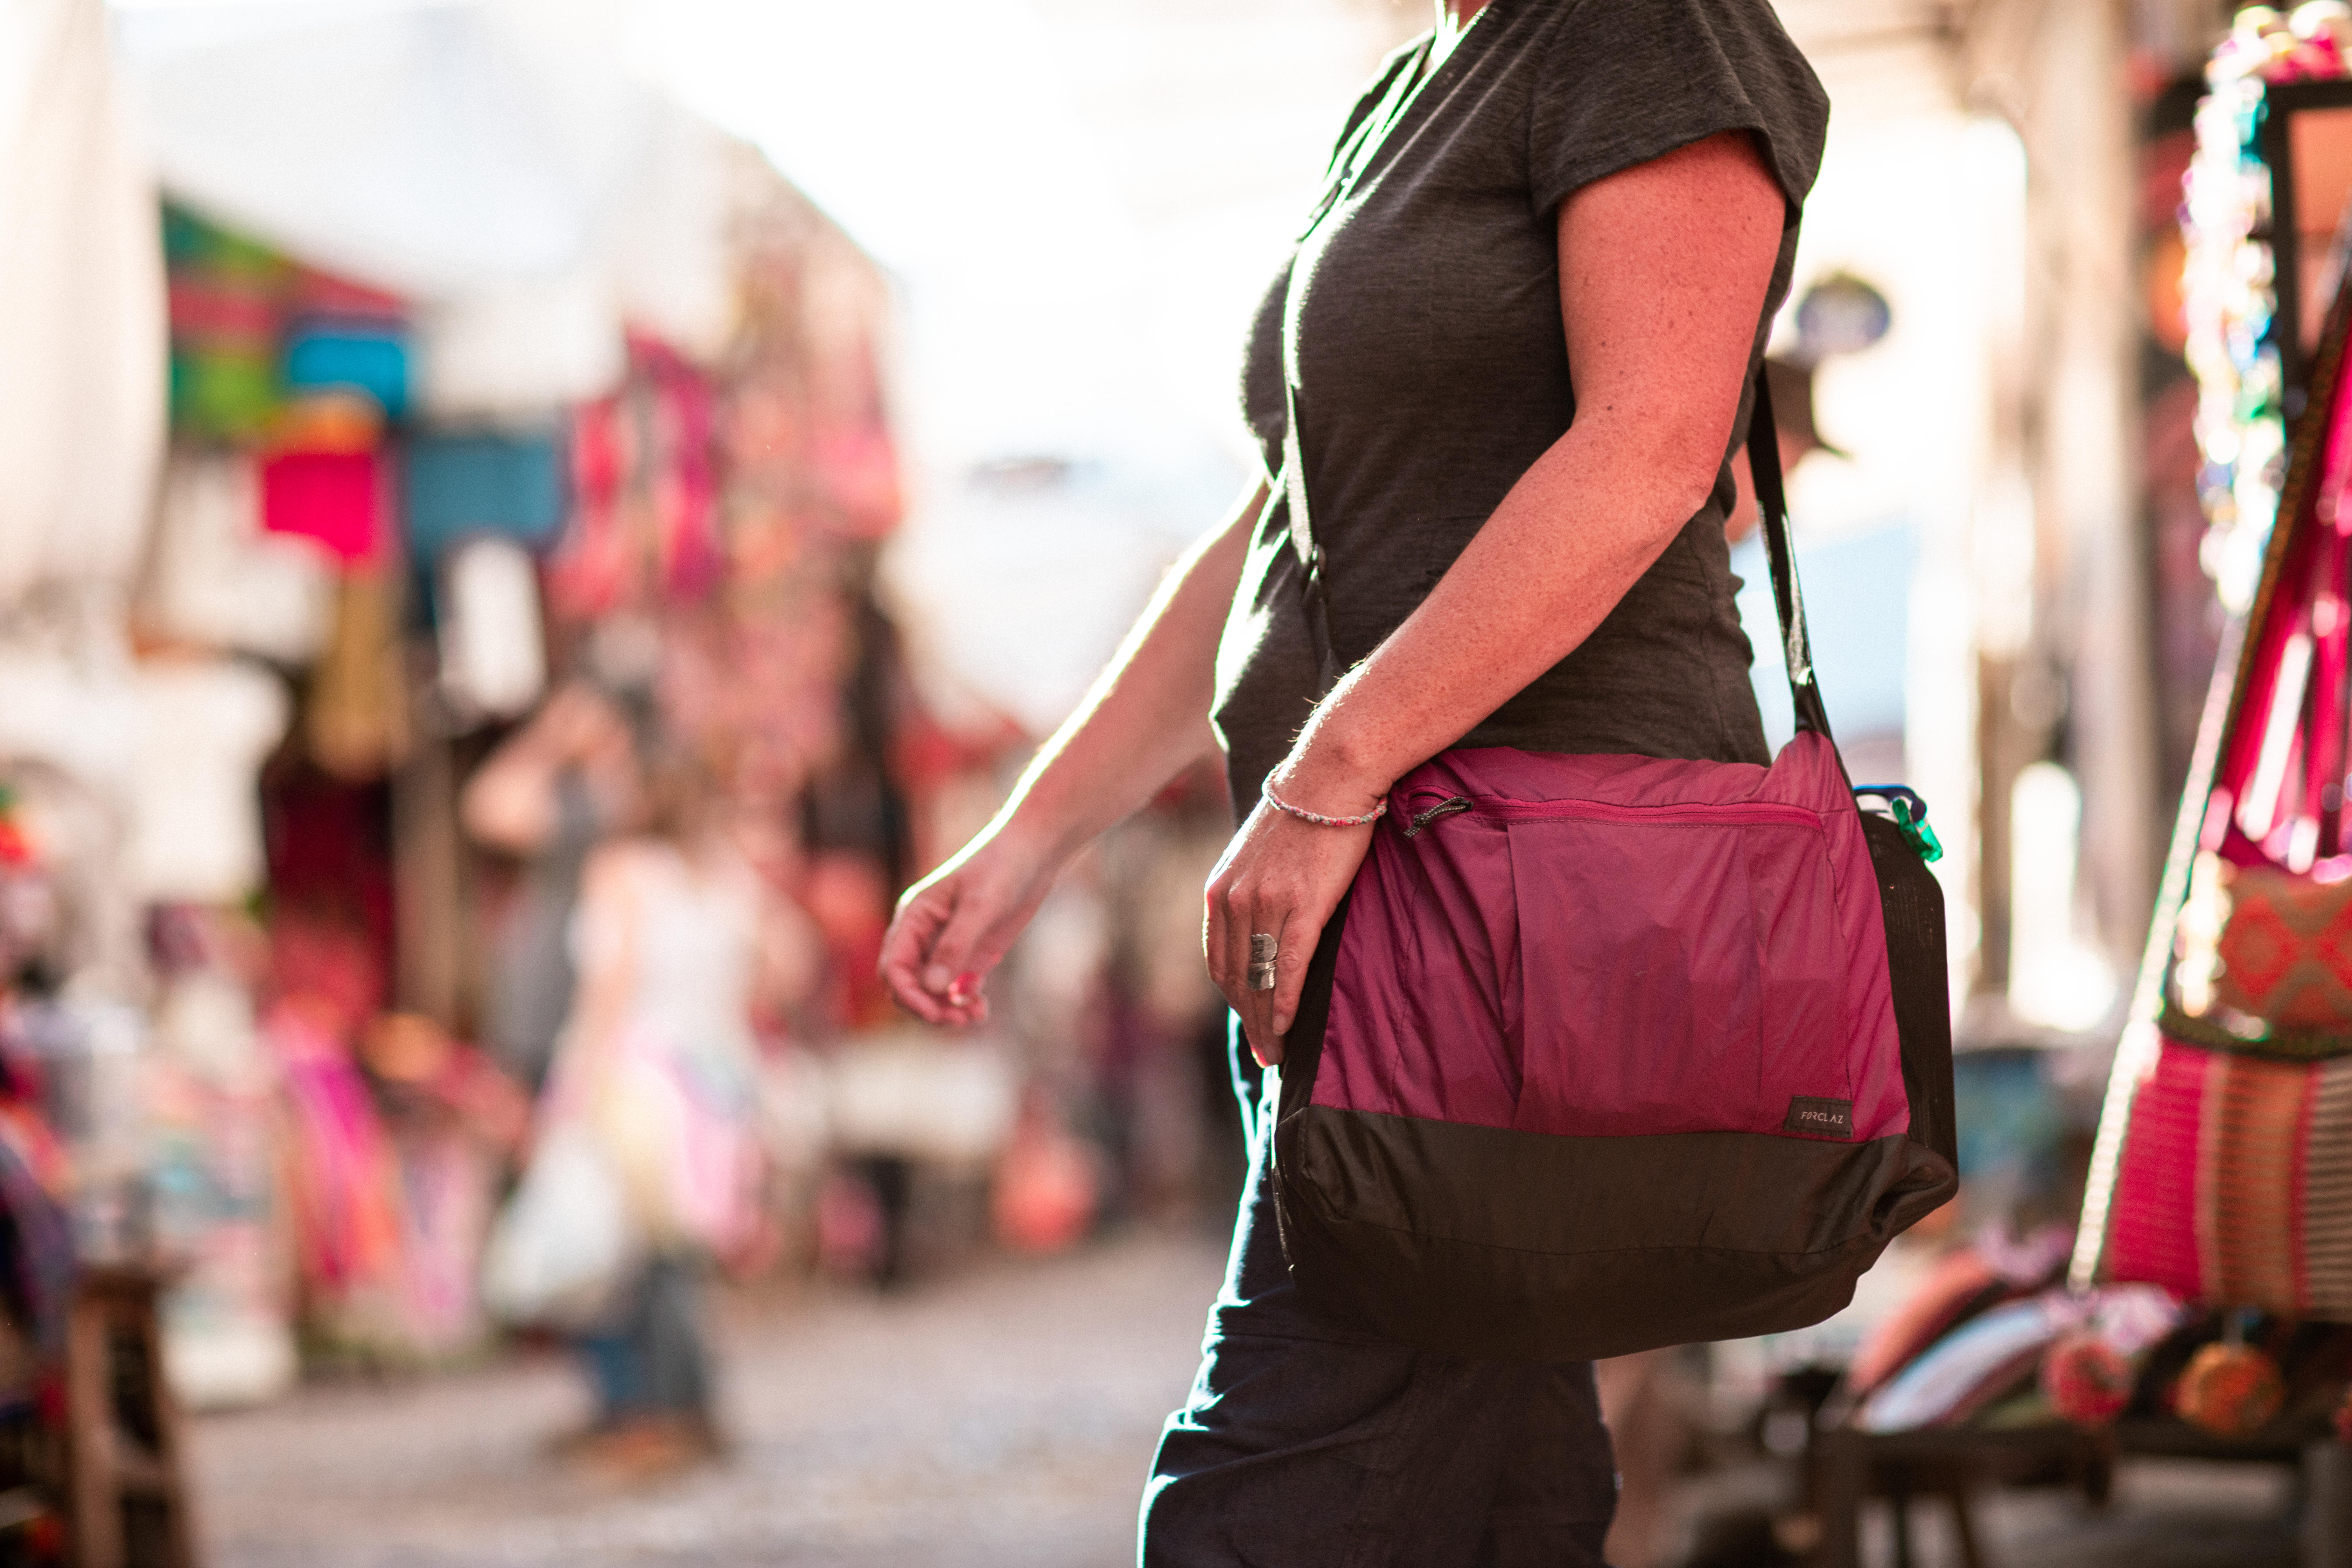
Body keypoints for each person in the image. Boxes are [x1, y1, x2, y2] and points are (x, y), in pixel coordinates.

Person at [880, 0, 1827, 1559]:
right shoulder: (1415, 89)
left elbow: (1654, 447)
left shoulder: (1642, 30)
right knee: (1499, 1493)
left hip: (1518, 907)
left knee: (1263, 1503)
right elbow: (1285, 523)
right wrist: (1028, 839)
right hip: (1390, 907)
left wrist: (1328, 781)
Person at [538, 750, 766, 1477]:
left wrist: (573, 1082)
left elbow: (612, 983)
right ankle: (682, 1404)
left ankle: (647, 1409)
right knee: (676, 1252)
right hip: (718, 1078)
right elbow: (780, 964)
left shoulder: (625, 871)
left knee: (627, 1250)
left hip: (640, 1075)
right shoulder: (726, 879)